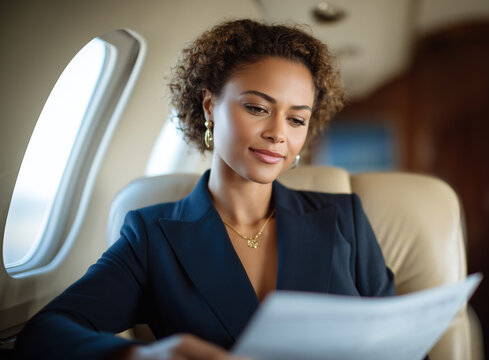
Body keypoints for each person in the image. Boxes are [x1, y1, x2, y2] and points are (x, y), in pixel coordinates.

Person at [13, 19, 395, 360]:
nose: (279, 133)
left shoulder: (346, 219)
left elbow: (400, 343)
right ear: (210, 105)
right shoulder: (152, 237)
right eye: (258, 108)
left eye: (296, 119)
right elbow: (45, 334)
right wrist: (142, 356)